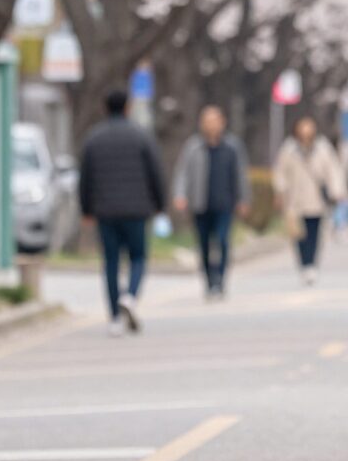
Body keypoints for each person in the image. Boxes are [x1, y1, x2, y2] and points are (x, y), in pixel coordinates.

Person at [79, 89, 167, 337]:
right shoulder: (141, 136)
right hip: (137, 210)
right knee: (138, 257)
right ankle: (130, 295)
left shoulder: (94, 139)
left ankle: (115, 318)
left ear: (105, 108)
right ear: (128, 107)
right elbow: (155, 173)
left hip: (105, 210)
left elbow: (85, 177)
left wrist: (86, 209)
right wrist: (160, 205)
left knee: (111, 262)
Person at [172, 105, 252, 300]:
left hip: (225, 203)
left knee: (223, 241)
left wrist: (243, 199)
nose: (211, 125)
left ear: (222, 122)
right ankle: (209, 281)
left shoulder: (232, 147)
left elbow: (241, 175)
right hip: (201, 203)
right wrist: (180, 195)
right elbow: (183, 173)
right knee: (204, 245)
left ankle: (220, 280)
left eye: (215, 121)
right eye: (207, 121)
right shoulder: (193, 146)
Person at [272, 114, 344, 286]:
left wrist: (336, 192)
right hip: (295, 200)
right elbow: (280, 172)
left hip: (316, 199)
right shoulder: (289, 149)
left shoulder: (322, 147)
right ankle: (304, 263)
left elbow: (332, 171)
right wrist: (280, 192)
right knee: (298, 236)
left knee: (315, 233)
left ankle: (312, 264)